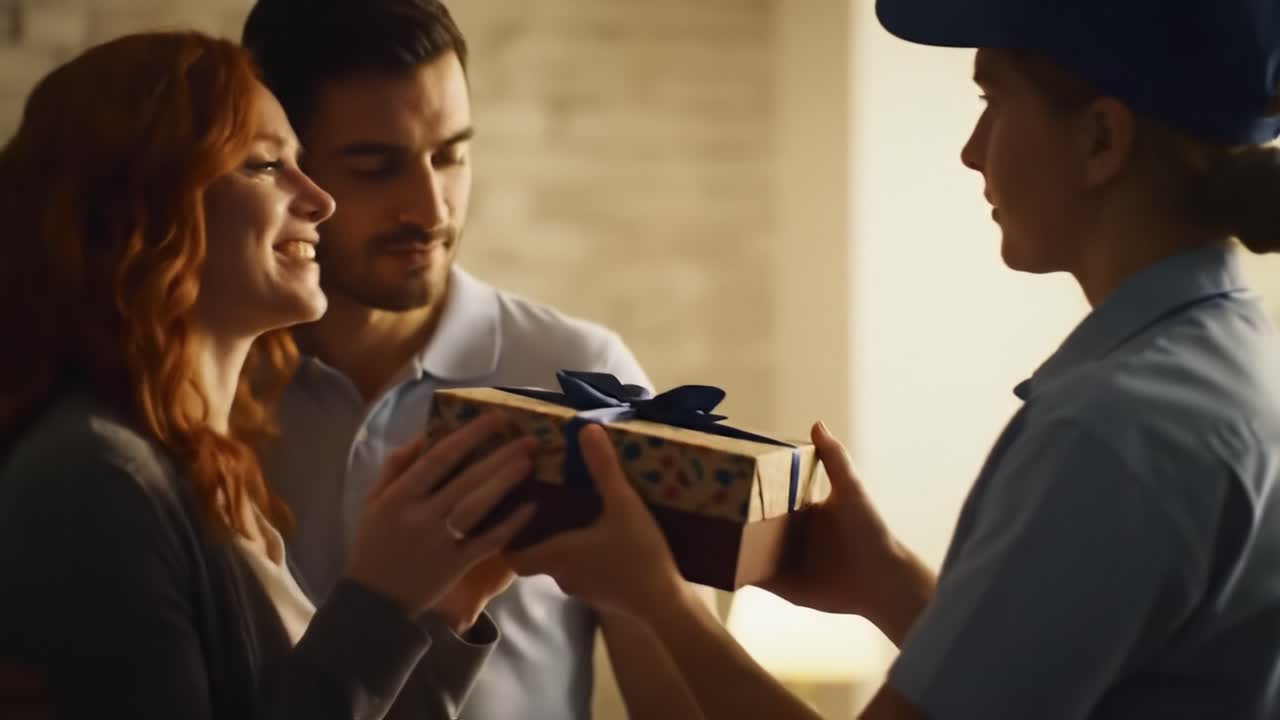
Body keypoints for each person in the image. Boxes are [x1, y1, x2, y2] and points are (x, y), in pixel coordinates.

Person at [505, 0, 1280, 718]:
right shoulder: (1233, 371)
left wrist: (657, 601)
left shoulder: (1112, 432)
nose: (973, 153)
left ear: (1101, 138)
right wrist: (894, 588)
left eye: (993, 103)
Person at [0, 31, 537, 719]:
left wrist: (443, 610)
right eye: (264, 166)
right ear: (144, 209)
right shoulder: (96, 475)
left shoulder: (203, 471)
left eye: (302, 164)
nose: (320, 201)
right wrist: (377, 602)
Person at [240, 1, 709, 717]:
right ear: (284, 168)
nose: (430, 208)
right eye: (375, 165)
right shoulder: (207, 392)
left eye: (451, 154)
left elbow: (679, 700)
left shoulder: (578, 374)